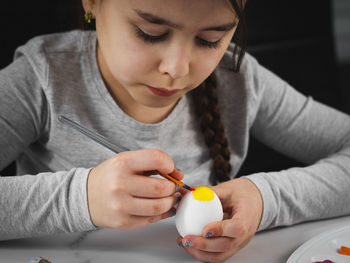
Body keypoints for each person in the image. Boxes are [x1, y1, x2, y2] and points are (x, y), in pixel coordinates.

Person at [0, 0, 349, 262]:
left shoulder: (238, 79)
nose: (177, 69)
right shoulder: (41, 78)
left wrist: (265, 199)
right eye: (150, 33)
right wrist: (80, 199)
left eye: (211, 39)